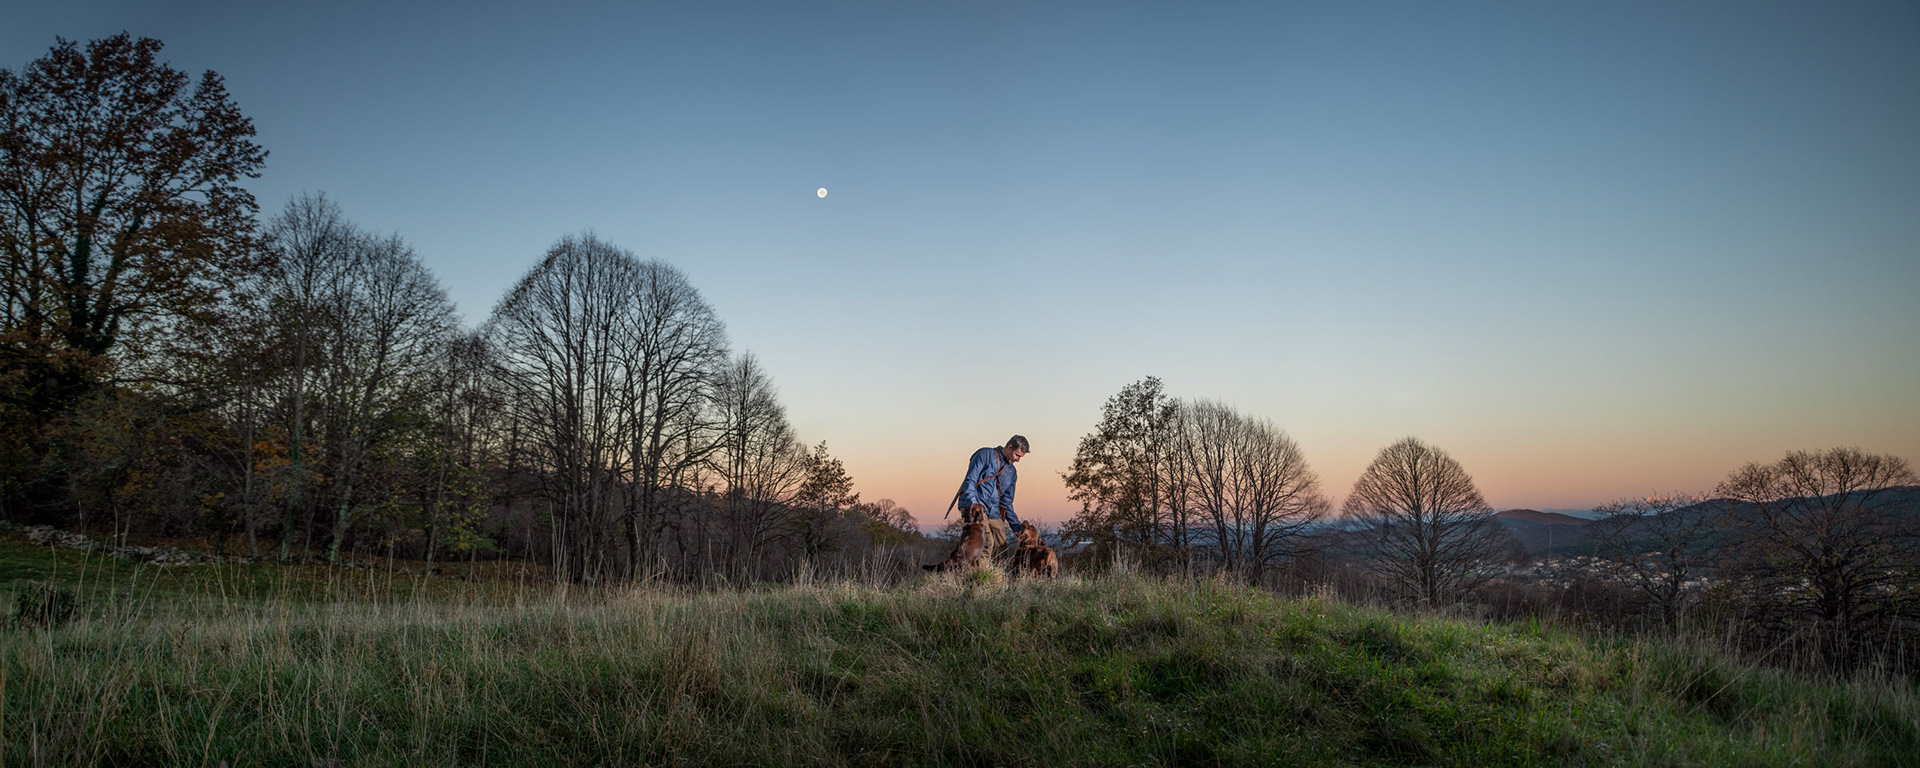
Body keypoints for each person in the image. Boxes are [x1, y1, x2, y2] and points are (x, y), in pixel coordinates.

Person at [952, 435, 1028, 560]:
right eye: (1017, 455)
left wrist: (1016, 527)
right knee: (986, 544)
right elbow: (970, 481)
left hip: (994, 511)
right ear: (1009, 447)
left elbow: (1006, 502)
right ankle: (979, 578)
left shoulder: (1012, 472)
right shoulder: (984, 454)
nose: (1018, 460)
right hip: (975, 506)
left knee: (1001, 547)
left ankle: (996, 578)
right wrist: (974, 506)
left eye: (1021, 457)